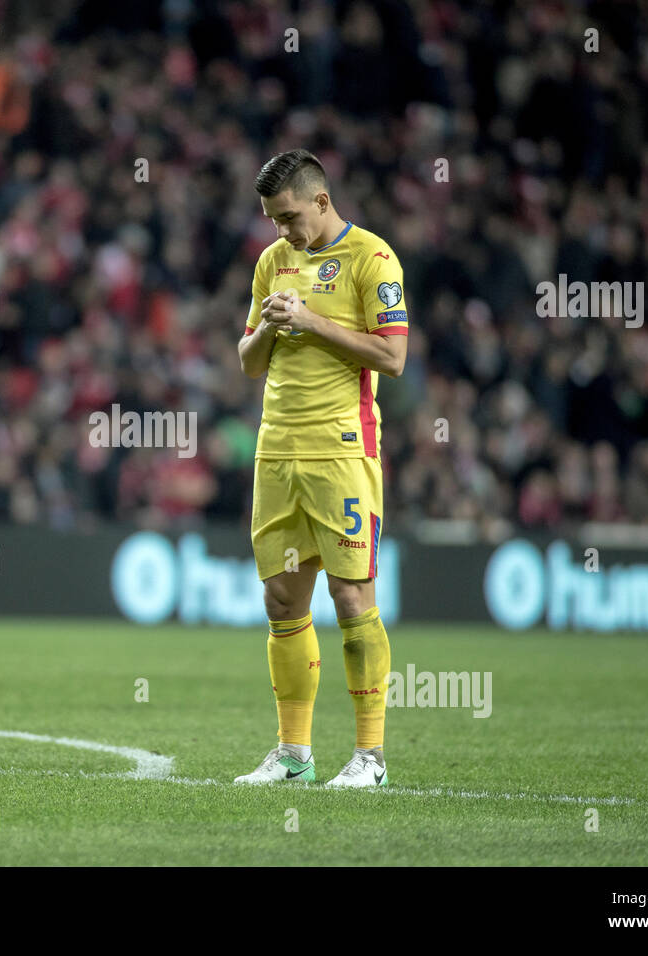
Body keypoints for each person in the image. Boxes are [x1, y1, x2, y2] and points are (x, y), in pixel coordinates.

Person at [235, 149, 409, 788]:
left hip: (341, 453)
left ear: (321, 201)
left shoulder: (373, 258)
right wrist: (273, 331)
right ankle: (293, 755)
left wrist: (310, 320)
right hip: (277, 450)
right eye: (272, 220)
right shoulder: (271, 262)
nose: (282, 231)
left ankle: (370, 757)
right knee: (282, 599)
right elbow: (249, 361)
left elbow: (392, 359)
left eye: (288, 217)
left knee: (351, 597)